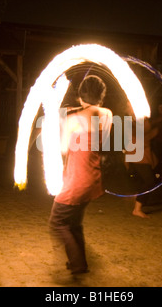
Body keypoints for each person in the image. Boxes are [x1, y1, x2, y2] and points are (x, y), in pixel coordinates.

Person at [48, 75, 112, 275]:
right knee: (74, 223)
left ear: (80, 96)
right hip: (92, 179)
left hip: (77, 180)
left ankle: (77, 264)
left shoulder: (74, 118)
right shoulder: (107, 114)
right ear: (101, 96)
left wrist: (64, 120)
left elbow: (64, 149)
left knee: (57, 222)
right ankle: (80, 262)